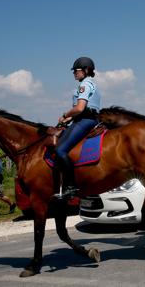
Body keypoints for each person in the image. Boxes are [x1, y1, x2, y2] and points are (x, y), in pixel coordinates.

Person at [53, 56, 101, 199]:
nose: (74, 72)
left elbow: (80, 108)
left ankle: (72, 186)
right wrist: (66, 120)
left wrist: (64, 114)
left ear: (86, 70)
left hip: (85, 120)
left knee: (60, 150)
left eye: (76, 70)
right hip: (84, 118)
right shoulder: (91, 83)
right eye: (74, 70)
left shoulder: (84, 85)